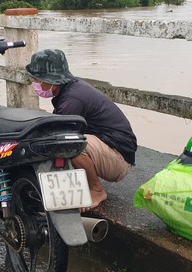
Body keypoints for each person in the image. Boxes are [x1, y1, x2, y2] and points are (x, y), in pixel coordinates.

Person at [26, 49, 137, 212]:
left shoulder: (72, 99)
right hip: (108, 147)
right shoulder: (70, 90)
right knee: (61, 139)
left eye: (36, 79)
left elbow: (55, 133)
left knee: (66, 143)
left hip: (119, 160)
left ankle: (97, 190)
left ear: (51, 80)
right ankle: (80, 185)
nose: (34, 83)